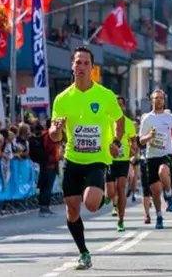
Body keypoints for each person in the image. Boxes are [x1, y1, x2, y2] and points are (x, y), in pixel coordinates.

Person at [50, 47, 123, 270]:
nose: (81, 67)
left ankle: (101, 196)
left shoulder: (105, 96)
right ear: (72, 66)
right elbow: (55, 135)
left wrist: (116, 143)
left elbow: (119, 121)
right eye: (78, 62)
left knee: (91, 204)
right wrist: (57, 129)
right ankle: (84, 252)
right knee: (72, 211)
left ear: (92, 68)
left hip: (97, 159)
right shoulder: (62, 99)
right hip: (73, 159)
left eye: (86, 63)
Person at [139, 89, 172, 229]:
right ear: (152, 100)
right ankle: (159, 215)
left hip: (166, 153)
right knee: (155, 191)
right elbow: (141, 140)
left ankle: (169, 193)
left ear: (164, 100)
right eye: (156, 98)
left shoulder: (169, 117)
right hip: (151, 156)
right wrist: (149, 136)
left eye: (161, 98)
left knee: (163, 172)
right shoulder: (147, 119)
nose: (158, 100)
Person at [105, 96, 136, 232]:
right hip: (109, 160)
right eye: (115, 105)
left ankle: (121, 220)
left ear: (123, 107)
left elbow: (133, 141)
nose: (118, 107)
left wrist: (133, 152)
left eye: (120, 105)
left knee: (121, 188)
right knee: (111, 191)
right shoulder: (106, 121)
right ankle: (112, 201)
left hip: (123, 160)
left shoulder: (128, 123)